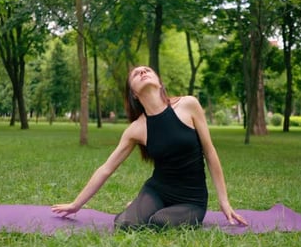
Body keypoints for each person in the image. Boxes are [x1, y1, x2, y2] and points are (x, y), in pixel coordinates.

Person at [51, 66, 247, 230]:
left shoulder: (188, 105)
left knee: (159, 222)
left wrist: (224, 201)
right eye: (137, 74)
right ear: (134, 94)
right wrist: (76, 204)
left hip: (191, 199)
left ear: (160, 83)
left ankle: (143, 208)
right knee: (126, 223)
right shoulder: (135, 130)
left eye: (147, 70)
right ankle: (139, 206)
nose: (143, 72)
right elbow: (106, 168)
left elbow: (210, 152)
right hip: (157, 191)